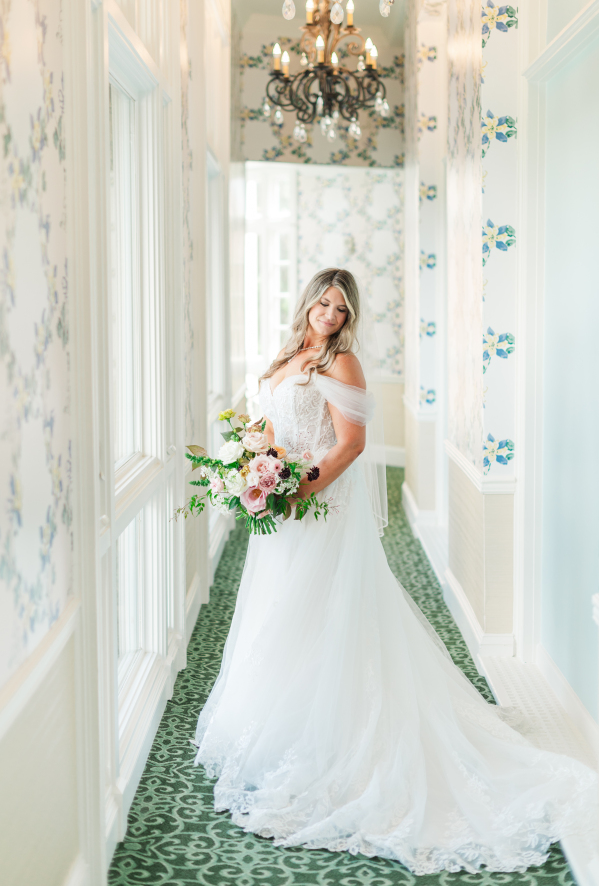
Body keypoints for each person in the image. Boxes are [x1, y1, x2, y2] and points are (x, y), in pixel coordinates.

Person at [193, 268, 597, 874]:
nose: (331, 313)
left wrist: (297, 492)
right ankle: (278, 727)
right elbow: (268, 426)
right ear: (307, 303)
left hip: (316, 503)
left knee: (321, 613)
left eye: (342, 307)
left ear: (350, 316)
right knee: (279, 611)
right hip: (278, 498)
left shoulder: (342, 362)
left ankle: (335, 737)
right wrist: (251, 469)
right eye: (324, 302)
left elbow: (350, 445)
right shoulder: (288, 353)